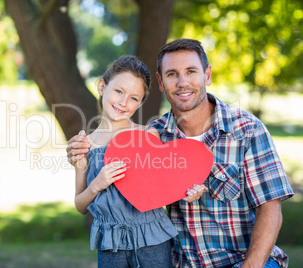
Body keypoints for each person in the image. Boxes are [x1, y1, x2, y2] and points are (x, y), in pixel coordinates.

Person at [67, 39, 294, 268]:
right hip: (181, 262)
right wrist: (84, 161)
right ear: (161, 82)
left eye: (191, 71)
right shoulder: (157, 134)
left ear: (207, 75)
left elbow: (271, 208)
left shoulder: (247, 130)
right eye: (172, 74)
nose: (183, 82)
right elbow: (140, 184)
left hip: (243, 261)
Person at [74, 55, 207, 268]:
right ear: (102, 87)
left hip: (153, 240)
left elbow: (167, 184)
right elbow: (80, 204)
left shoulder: (147, 136)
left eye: (134, 98)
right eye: (118, 91)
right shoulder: (84, 146)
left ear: (140, 103)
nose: (123, 102)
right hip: (110, 244)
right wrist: (96, 185)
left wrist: (190, 191)